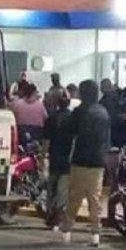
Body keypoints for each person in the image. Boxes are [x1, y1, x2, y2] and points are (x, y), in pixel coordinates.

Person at [60, 80, 110, 247]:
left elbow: (69, 132)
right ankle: (95, 233)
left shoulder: (79, 112)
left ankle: (67, 230)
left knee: (74, 196)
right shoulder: (103, 112)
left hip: (80, 159)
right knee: (95, 198)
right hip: (98, 161)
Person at [45, 90, 74, 228]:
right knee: (62, 190)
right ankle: (58, 216)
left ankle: (50, 215)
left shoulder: (51, 118)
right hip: (67, 159)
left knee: (52, 188)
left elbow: (46, 140)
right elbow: (75, 140)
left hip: (54, 158)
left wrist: (42, 155)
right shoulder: (72, 118)